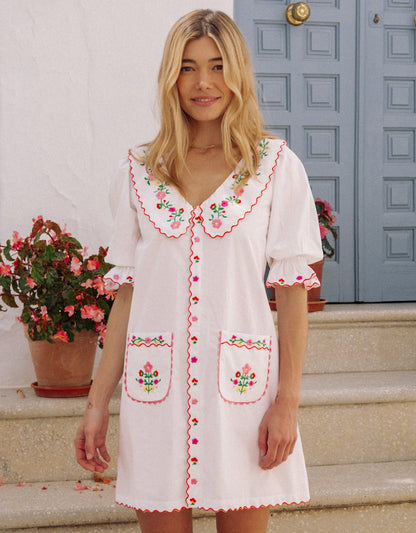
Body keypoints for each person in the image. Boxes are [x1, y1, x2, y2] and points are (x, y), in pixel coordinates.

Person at [75, 9, 323, 533]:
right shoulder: (139, 171)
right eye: (187, 68)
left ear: (238, 74)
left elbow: (291, 293)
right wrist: (96, 404)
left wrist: (287, 401)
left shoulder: (274, 167)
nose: (202, 82)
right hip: (155, 390)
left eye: (217, 66)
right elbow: (126, 297)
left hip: (243, 391)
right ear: (172, 77)